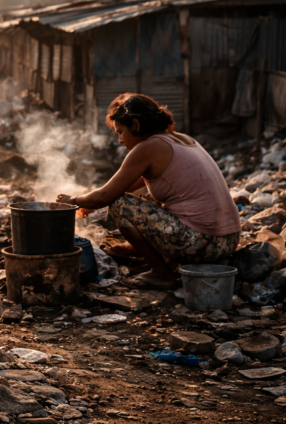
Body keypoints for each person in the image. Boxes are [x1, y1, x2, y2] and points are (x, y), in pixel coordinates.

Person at [56, 94, 241, 290]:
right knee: (145, 200)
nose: (120, 140)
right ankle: (159, 259)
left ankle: (161, 273)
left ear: (135, 124)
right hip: (228, 240)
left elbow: (106, 196)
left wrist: (73, 200)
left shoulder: (148, 148)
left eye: (120, 132)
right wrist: (88, 204)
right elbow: (125, 186)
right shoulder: (184, 139)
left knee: (120, 205)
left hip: (203, 244)